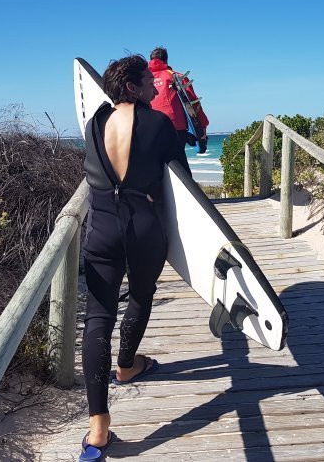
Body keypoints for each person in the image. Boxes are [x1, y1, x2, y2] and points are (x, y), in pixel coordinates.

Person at [78, 54, 190, 461]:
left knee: (97, 318)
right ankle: (126, 365)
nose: (156, 87)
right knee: (141, 296)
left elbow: (94, 171)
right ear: (131, 86)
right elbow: (184, 187)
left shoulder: (93, 124)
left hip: (103, 229)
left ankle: (98, 429)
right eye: (149, 82)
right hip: (144, 227)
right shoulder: (160, 125)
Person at [148, 47, 210, 153]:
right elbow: (193, 101)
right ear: (166, 60)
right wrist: (203, 125)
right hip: (175, 126)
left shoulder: (144, 79)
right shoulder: (175, 76)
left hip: (149, 126)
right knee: (177, 160)